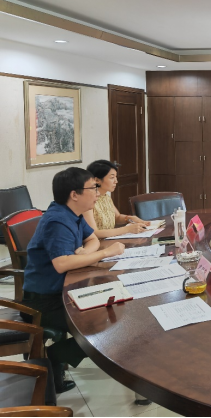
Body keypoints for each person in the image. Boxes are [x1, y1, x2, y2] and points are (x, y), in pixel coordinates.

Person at [21, 167, 126, 393]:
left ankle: (56, 359)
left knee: (116, 310)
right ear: (74, 194)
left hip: (64, 292)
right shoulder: (57, 220)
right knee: (104, 326)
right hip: (43, 303)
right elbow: (62, 263)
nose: (97, 193)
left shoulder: (73, 214)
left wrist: (85, 253)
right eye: (92, 188)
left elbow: (92, 239)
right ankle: (54, 357)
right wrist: (105, 253)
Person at [83, 159, 149, 238]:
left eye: (116, 177)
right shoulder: (87, 201)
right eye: (112, 177)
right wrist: (127, 229)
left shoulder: (106, 197)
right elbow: (95, 233)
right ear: (97, 180)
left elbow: (117, 217)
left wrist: (129, 218)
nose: (116, 181)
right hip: (99, 243)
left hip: (110, 240)